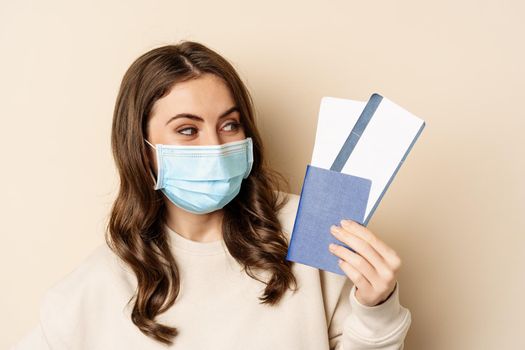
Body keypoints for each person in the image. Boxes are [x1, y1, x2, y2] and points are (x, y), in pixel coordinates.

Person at [11, 41, 411, 350]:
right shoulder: (95, 286)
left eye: (230, 125)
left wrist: (377, 306)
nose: (215, 147)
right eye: (187, 129)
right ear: (142, 147)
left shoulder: (311, 226)